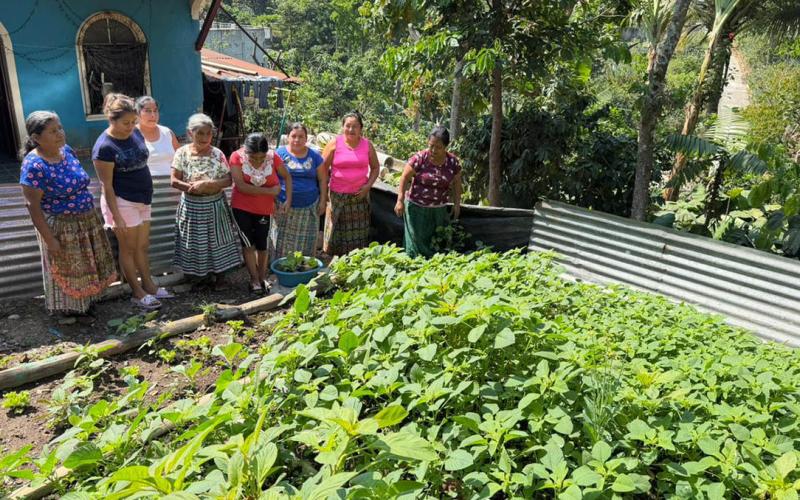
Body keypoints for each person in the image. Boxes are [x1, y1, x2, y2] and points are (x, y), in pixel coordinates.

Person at [19, 111, 117, 317]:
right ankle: (70, 310)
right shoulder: (34, 165)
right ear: (36, 138)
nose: (60, 133)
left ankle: (88, 302)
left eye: (60, 128)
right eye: (53, 131)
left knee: (87, 264)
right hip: (60, 226)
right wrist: (50, 239)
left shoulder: (66, 151)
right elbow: (33, 206)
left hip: (85, 220)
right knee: (67, 267)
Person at [93, 93, 171, 310]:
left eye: (133, 122)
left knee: (142, 246)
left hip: (143, 198)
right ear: (112, 119)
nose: (130, 127)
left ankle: (150, 285)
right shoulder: (104, 147)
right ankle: (137, 292)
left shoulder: (135, 133)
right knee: (128, 249)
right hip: (122, 201)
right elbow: (106, 186)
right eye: (125, 123)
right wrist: (115, 215)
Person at [171, 113, 242, 286]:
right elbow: (174, 180)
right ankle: (198, 278)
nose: (204, 137)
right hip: (191, 207)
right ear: (190, 133)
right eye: (200, 133)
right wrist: (192, 188)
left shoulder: (217, 154)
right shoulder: (182, 153)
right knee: (195, 242)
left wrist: (208, 184)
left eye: (208, 134)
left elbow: (228, 180)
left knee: (218, 240)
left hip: (214, 206)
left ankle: (220, 277)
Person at [229, 133, 292, 293]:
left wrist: (287, 199)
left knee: (263, 245)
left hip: (264, 209)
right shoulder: (236, 157)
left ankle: (263, 276)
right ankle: (254, 279)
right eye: (253, 158)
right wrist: (271, 191)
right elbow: (241, 186)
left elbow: (287, 177)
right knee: (248, 244)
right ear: (246, 152)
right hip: (241, 208)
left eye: (261, 158)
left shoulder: (273, 157)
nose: (258, 161)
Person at [394, 126, 462, 258]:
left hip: (439, 211)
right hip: (416, 210)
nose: (434, 150)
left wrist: (457, 204)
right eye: (431, 146)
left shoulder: (452, 162)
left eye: (438, 147)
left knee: (435, 245)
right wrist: (400, 200)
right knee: (415, 247)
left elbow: (457, 184)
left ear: (446, 147)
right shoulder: (419, 159)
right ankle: (411, 271)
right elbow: (404, 178)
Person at [321, 111, 379, 255]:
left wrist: (367, 186)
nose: (351, 130)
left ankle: (354, 260)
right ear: (342, 127)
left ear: (361, 129)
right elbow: (322, 168)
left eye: (355, 126)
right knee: (337, 230)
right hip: (337, 195)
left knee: (358, 232)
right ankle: (333, 261)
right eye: (348, 126)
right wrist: (325, 190)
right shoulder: (335, 143)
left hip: (359, 197)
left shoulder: (367, 145)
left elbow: (376, 167)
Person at [272, 123, 327, 260]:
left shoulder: (315, 156)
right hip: (284, 205)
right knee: (281, 240)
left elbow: (322, 180)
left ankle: (305, 268)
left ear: (306, 138)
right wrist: (271, 201)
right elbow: (271, 179)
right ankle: (279, 268)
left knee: (307, 242)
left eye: (301, 137)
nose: (297, 140)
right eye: (294, 136)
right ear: (288, 137)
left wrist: (323, 201)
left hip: (309, 207)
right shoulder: (278, 154)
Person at [135, 96, 180, 177]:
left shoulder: (167, 133)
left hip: (172, 184)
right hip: (144, 185)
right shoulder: (131, 135)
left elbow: (181, 159)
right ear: (138, 114)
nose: (153, 115)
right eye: (148, 111)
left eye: (155, 111)